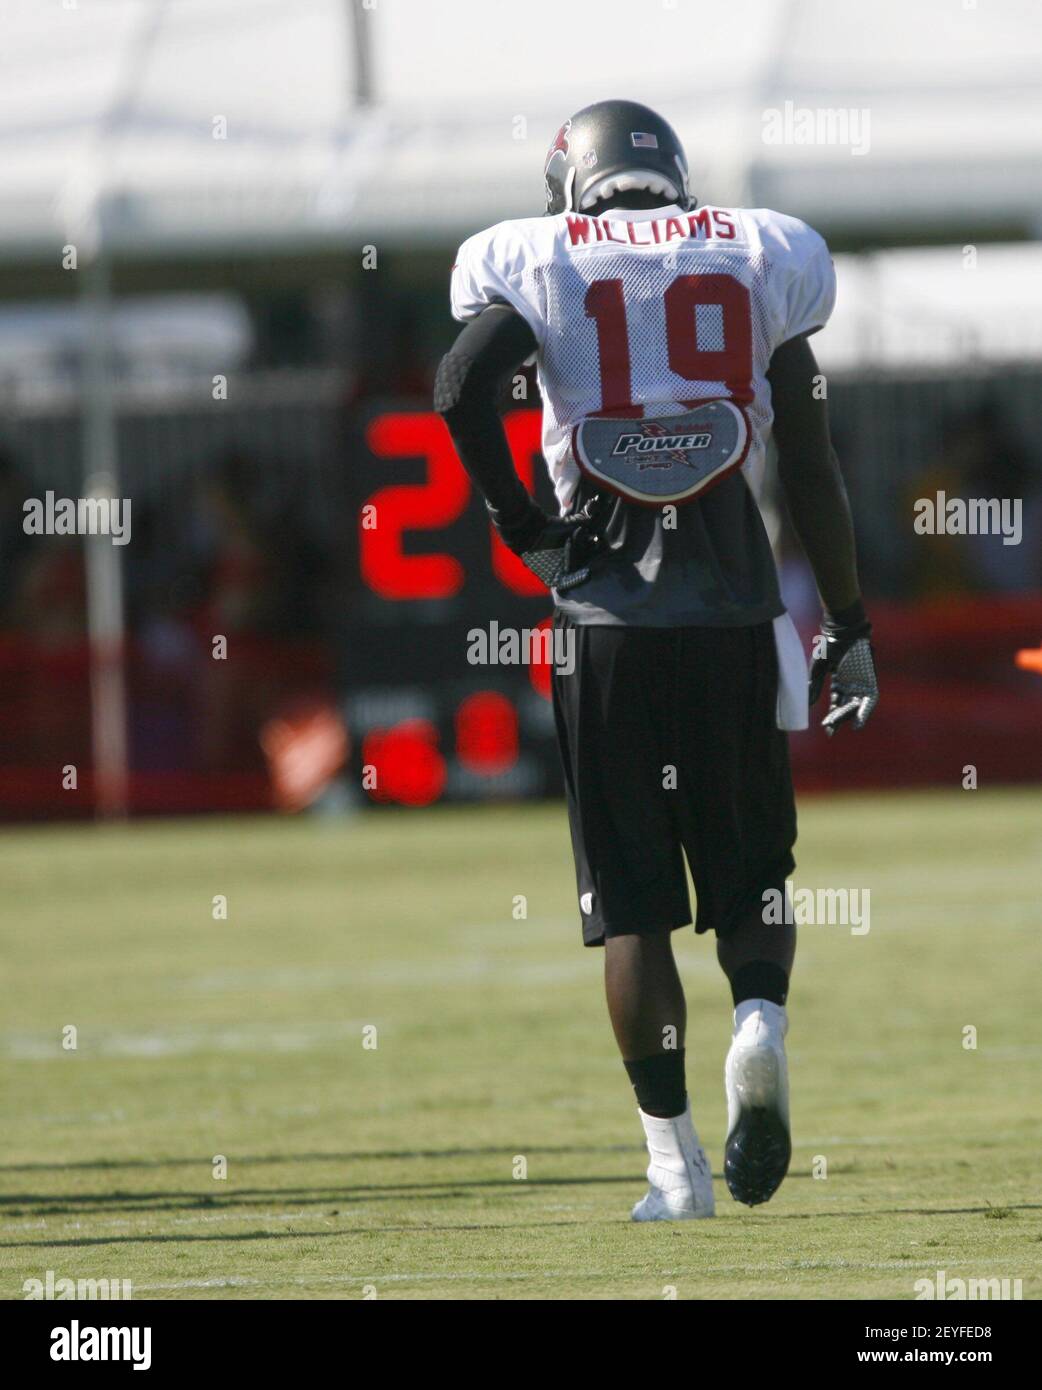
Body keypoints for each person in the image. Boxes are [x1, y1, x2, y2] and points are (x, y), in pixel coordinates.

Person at [435, 100, 877, 1220]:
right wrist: (850, 625)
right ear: (670, 174)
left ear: (571, 182)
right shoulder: (759, 252)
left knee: (631, 907)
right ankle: (761, 1023)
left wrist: (520, 520)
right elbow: (813, 470)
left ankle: (675, 1170)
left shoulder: (533, 259)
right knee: (754, 874)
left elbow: (455, 388)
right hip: (734, 624)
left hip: (605, 629)